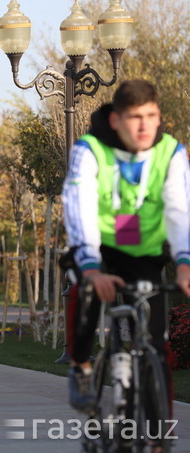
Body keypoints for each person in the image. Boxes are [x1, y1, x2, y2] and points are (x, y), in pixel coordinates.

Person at [62, 80, 190, 443]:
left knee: (155, 344)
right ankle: (82, 366)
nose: (145, 126)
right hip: (97, 246)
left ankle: (159, 433)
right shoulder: (90, 149)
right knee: (83, 288)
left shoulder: (170, 152)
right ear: (116, 119)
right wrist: (90, 266)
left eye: (152, 116)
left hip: (144, 253)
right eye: (135, 117)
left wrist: (184, 262)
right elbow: (79, 205)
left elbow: (181, 210)